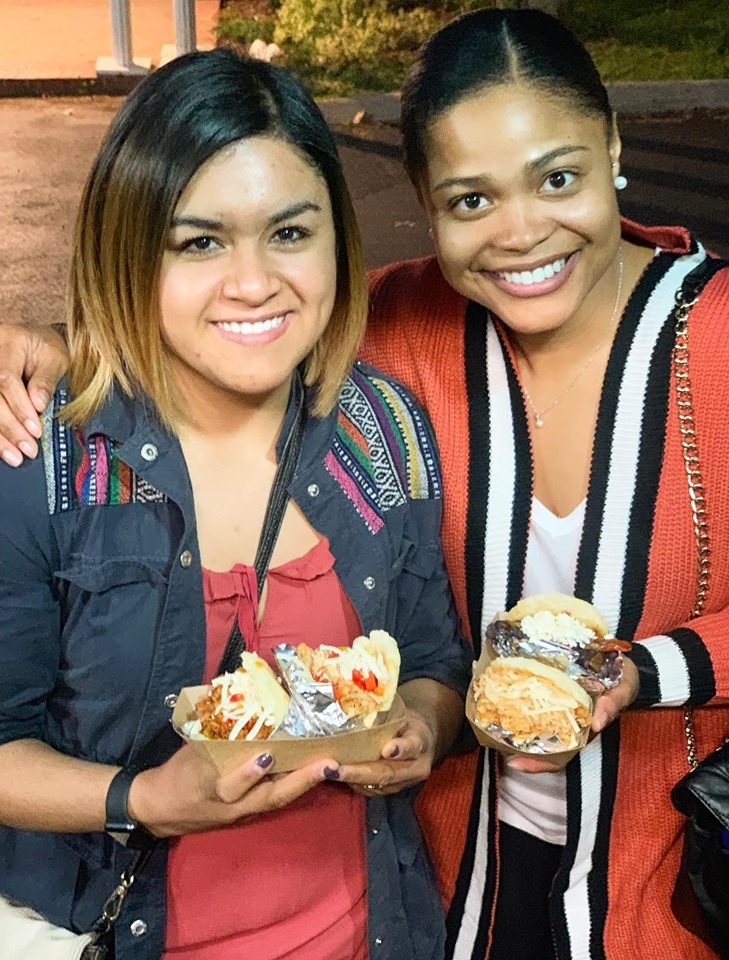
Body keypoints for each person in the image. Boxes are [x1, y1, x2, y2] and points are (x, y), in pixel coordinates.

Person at [1, 8, 729, 960]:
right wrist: (50, 352)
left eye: (558, 177)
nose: (522, 234)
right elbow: (226, 326)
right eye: (470, 200)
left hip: (661, 872)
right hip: (455, 880)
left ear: (614, 146)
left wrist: (646, 672)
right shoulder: (407, 328)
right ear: (425, 201)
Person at [0, 49, 470, 960]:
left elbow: (437, 660)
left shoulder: (385, 433)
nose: (254, 283)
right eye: (200, 241)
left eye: (290, 234)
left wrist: (419, 724)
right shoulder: (44, 460)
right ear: (129, 249)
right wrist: (140, 801)